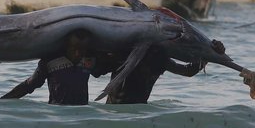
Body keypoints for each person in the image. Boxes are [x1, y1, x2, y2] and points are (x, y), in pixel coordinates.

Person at [95, 40, 226, 104]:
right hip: (114, 110)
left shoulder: (161, 59)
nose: (148, 73)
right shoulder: (125, 57)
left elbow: (187, 71)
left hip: (140, 111)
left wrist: (210, 52)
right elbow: (96, 67)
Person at [0, 30, 97, 105]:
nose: (77, 54)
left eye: (82, 49)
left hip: (82, 114)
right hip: (57, 113)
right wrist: (2, 102)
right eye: (73, 49)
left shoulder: (91, 59)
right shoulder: (50, 60)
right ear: (66, 46)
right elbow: (29, 85)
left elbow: (109, 70)